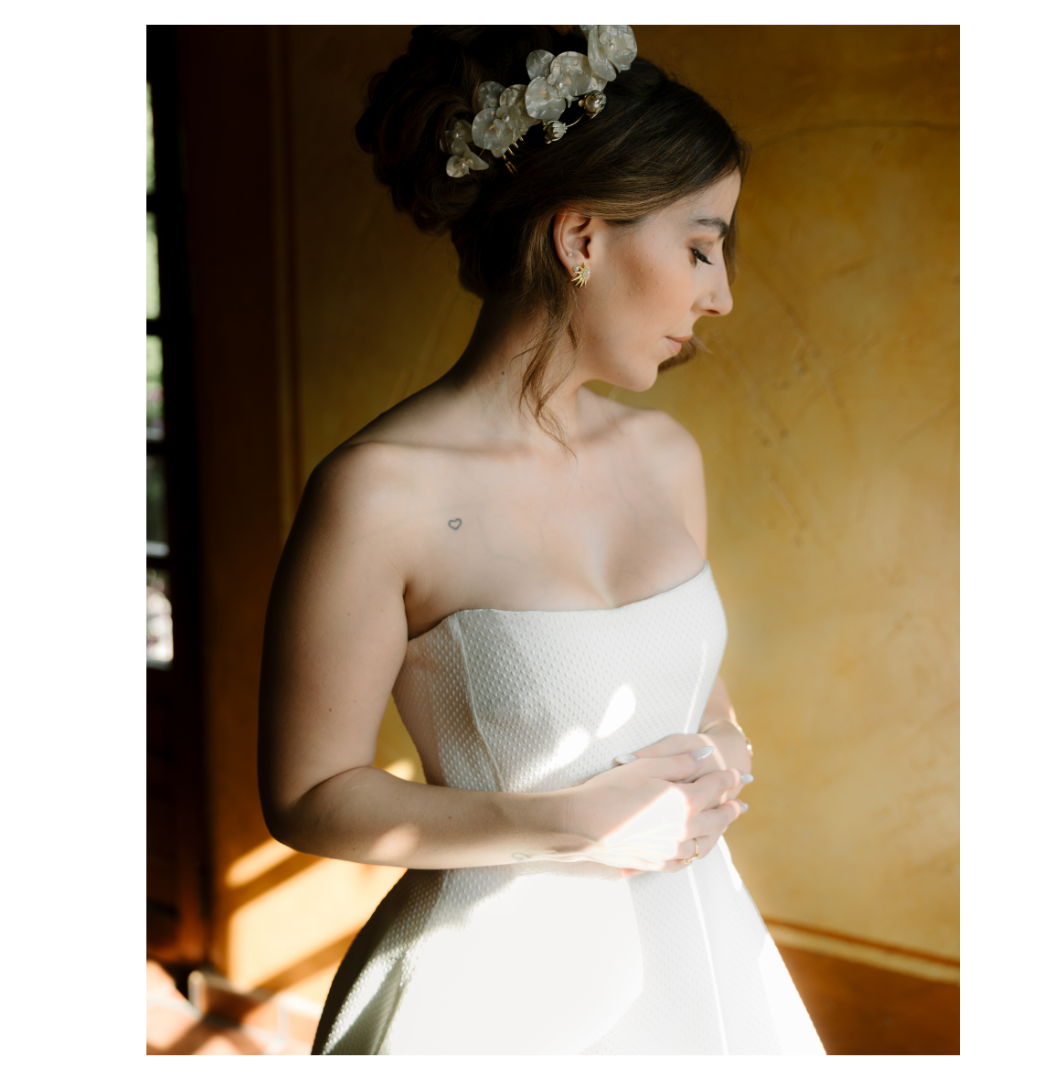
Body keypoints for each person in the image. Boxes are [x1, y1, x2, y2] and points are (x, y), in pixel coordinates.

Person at [257, 24, 825, 1055]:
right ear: (581, 239)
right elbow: (306, 796)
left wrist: (723, 744)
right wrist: (575, 823)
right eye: (701, 246)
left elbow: (689, 685)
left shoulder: (665, 456)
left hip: (698, 951)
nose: (722, 295)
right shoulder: (378, 493)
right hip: (486, 988)